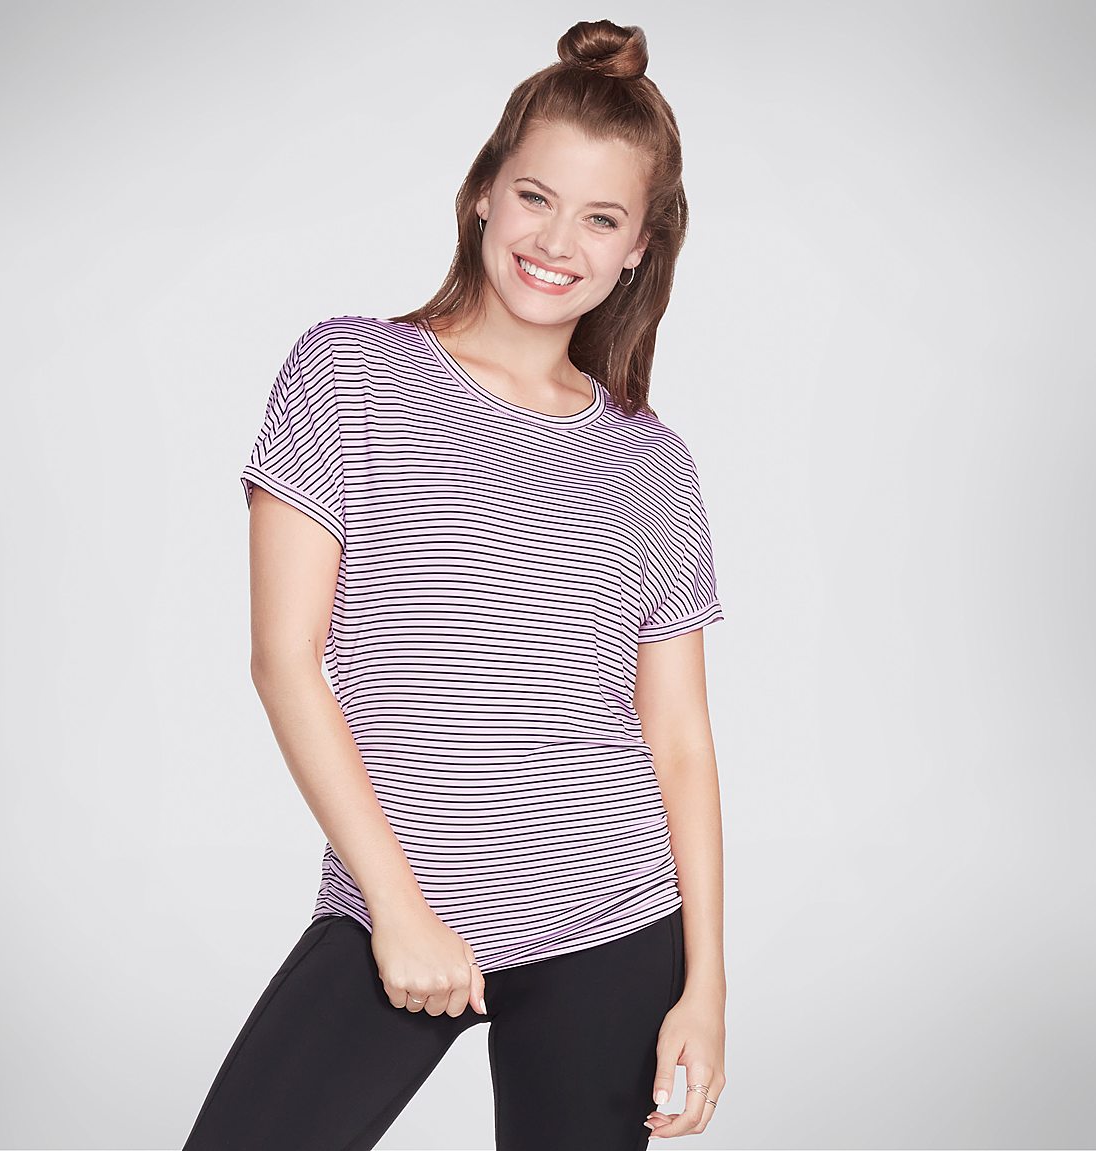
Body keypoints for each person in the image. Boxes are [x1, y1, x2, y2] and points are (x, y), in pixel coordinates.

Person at [181, 18, 727, 1151]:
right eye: (535, 197)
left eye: (601, 218)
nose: (557, 241)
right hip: (398, 904)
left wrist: (706, 984)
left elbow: (677, 739)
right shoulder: (349, 369)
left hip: (613, 918)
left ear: (639, 247)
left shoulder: (652, 461)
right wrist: (398, 911)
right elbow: (285, 662)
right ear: (484, 192)